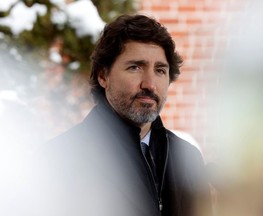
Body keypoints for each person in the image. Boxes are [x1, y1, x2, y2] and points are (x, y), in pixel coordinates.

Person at [29, 14, 212, 216]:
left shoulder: (186, 158)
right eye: (135, 67)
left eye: (160, 70)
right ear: (103, 76)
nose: (149, 84)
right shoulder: (57, 160)